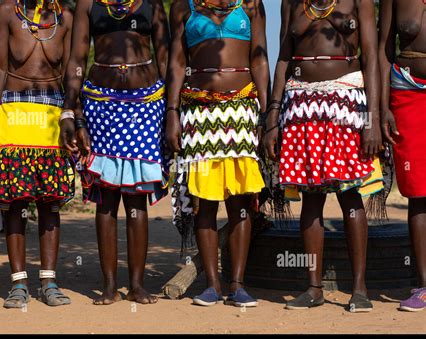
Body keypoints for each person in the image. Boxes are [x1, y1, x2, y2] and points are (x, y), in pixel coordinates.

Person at [264, 0, 383, 312]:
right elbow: (283, 59)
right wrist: (273, 117)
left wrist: (371, 121)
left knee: (350, 194)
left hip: (346, 103)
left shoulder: (359, 2)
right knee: (310, 198)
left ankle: (359, 289)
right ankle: (314, 288)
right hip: (301, 105)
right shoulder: (291, 3)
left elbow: (371, 57)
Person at [62, 0, 169, 305]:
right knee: (105, 196)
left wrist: (172, 111)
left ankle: (136, 285)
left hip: (147, 105)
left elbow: (165, 57)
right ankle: (109, 286)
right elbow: (77, 59)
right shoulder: (88, 4)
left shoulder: (151, 4)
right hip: (100, 104)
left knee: (136, 197)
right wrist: (71, 112)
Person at [166, 0, 269, 307]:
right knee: (205, 202)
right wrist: (172, 112)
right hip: (199, 111)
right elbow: (175, 61)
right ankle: (212, 284)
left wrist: (267, 112)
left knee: (240, 200)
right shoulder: (184, 7)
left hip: (243, 110)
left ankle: (238, 284)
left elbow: (260, 60)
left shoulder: (250, 5)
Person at [0, 0, 75, 308]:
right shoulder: (8, 11)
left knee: (50, 202)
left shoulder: (65, 18)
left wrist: (70, 116)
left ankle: (49, 281)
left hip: (51, 110)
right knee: (16, 202)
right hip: (13, 110)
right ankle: (18, 283)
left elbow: (72, 74)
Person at [378, 0, 426, 312]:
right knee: (419, 193)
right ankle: (424, 284)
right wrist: (382, 108)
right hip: (408, 93)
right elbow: (383, 53)